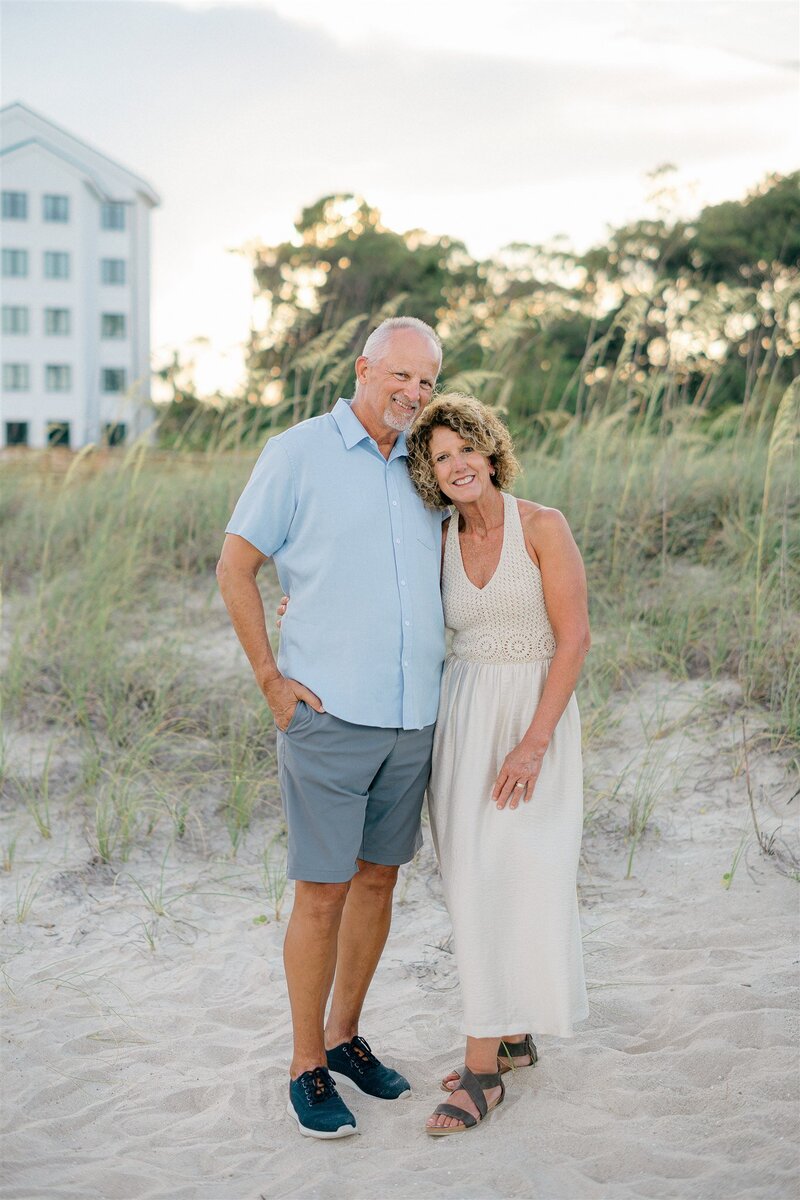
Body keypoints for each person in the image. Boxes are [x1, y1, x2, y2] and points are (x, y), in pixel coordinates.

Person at [216, 317, 445, 1139]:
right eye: (402, 377)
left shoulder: (428, 465)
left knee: (379, 882)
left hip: (412, 714)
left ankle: (346, 1037)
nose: (414, 394)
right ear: (364, 368)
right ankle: (305, 1063)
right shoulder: (297, 451)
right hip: (328, 717)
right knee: (322, 894)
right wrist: (272, 682)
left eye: (426, 383)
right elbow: (235, 565)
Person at [404, 393, 590, 1136]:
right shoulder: (438, 539)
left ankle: (482, 1070)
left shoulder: (543, 526)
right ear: (430, 472)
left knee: (522, 874)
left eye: (466, 449)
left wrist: (534, 741)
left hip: (534, 720)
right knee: (473, 880)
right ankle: (510, 1036)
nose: (457, 466)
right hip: (466, 718)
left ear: (491, 451)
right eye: (440, 457)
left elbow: (574, 638)